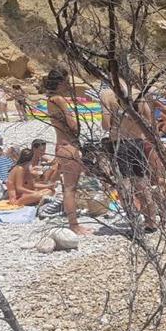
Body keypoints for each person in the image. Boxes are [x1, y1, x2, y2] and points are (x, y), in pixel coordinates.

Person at [100, 84, 159, 233]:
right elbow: (149, 120)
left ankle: (133, 221)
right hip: (138, 142)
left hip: (120, 143)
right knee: (142, 182)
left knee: (124, 185)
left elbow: (106, 125)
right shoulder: (137, 92)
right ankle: (151, 221)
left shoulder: (107, 94)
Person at [44, 69, 92, 235]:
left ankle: (72, 221)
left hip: (60, 145)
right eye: (66, 82)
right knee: (71, 188)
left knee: (68, 186)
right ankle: (74, 224)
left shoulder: (50, 100)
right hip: (68, 146)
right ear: (60, 82)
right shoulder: (59, 100)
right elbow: (73, 126)